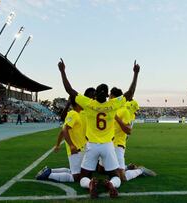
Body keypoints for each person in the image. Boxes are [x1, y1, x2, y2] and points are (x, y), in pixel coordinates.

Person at [58, 58, 140, 198]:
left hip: (92, 146)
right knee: (116, 176)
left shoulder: (89, 104)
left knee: (83, 176)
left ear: (95, 94)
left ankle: (89, 184)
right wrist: (136, 73)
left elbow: (70, 90)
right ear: (108, 95)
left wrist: (62, 71)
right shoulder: (113, 104)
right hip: (108, 146)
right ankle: (112, 185)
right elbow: (130, 93)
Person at [36, 88, 95, 183]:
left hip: (82, 148)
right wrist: (70, 145)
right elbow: (64, 130)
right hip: (76, 149)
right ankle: (49, 175)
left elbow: (63, 130)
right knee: (76, 177)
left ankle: (50, 171)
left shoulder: (80, 114)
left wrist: (58, 144)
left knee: (78, 173)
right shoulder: (73, 114)